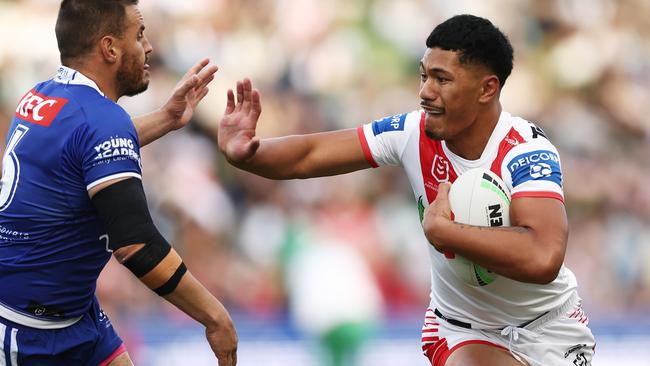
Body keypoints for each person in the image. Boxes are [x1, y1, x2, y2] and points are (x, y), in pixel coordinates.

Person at [218, 14, 595, 366]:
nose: (426, 92)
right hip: (462, 328)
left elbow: (543, 258)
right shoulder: (411, 132)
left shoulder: (526, 151)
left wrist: (447, 233)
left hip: (549, 328)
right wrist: (250, 155)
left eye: (442, 79)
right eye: (423, 76)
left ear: (487, 88)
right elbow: (310, 154)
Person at [0, 1, 237, 365]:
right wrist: (214, 316)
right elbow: (135, 243)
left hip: (74, 316)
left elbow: (83, 147)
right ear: (109, 48)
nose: (149, 47)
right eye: (139, 35)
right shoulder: (100, 120)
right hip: (29, 331)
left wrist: (166, 118)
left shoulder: (42, 94)